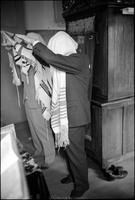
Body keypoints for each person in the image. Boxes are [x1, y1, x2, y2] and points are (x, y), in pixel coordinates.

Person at [2, 31, 91, 198]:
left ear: (62, 45)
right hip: (66, 116)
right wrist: (16, 45)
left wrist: (30, 40)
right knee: (68, 150)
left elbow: (50, 58)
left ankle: (82, 184)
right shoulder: (65, 62)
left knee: (76, 152)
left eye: (55, 47)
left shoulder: (78, 59)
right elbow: (40, 59)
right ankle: (73, 175)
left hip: (75, 117)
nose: (53, 51)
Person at [1, 31, 55, 169]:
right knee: (34, 130)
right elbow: (18, 69)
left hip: (39, 103)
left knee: (43, 130)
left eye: (30, 41)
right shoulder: (26, 62)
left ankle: (50, 157)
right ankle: (39, 151)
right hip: (28, 101)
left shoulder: (42, 60)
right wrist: (10, 50)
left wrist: (14, 44)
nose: (27, 43)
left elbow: (25, 54)